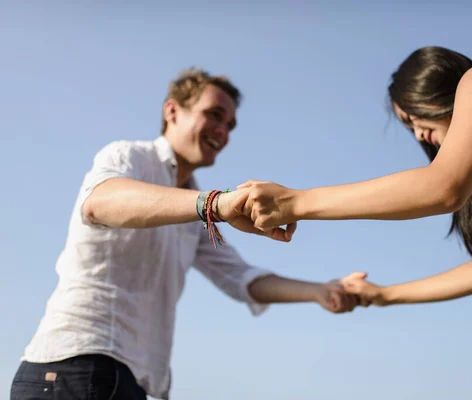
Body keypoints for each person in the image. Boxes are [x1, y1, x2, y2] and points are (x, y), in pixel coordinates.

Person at [240, 46, 472, 399]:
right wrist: (383, 295)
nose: (416, 134)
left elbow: (443, 188)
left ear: (431, 89)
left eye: (413, 117)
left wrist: (297, 202)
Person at [10, 68, 361, 400]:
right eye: (214, 115)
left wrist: (318, 292)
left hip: (128, 380)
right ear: (172, 111)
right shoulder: (129, 156)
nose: (223, 131)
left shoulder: (194, 213)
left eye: (230, 124)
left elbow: (241, 278)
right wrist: (215, 204)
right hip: (71, 368)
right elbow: (99, 202)